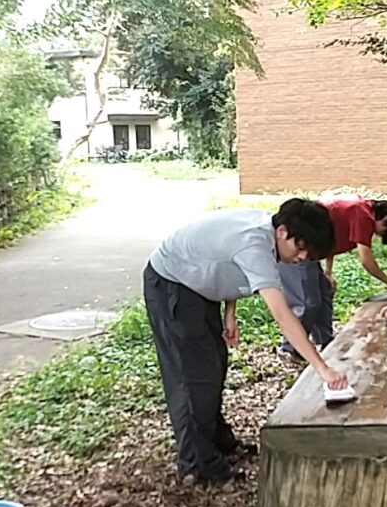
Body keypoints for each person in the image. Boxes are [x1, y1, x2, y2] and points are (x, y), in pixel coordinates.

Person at [143, 199, 348, 486]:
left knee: (214, 364)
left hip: (197, 284)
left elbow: (227, 265)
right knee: (195, 374)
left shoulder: (266, 234)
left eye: (309, 253)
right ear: (283, 232)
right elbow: (283, 315)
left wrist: (230, 314)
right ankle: (197, 464)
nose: (302, 257)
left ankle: (215, 439)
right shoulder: (254, 243)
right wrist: (323, 370)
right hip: (172, 282)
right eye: (300, 248)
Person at [277, 195, 387, 361]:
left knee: (324, 294)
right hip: (295, 251)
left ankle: (326, 341)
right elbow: (366, 260)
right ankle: (289, 348)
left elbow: (330, 241)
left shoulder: (359, 210)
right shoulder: (363, 216)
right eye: (383, 232)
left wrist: (328, 274)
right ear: (385, 218)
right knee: (308, 302)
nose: (377, 235)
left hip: (311, 253)